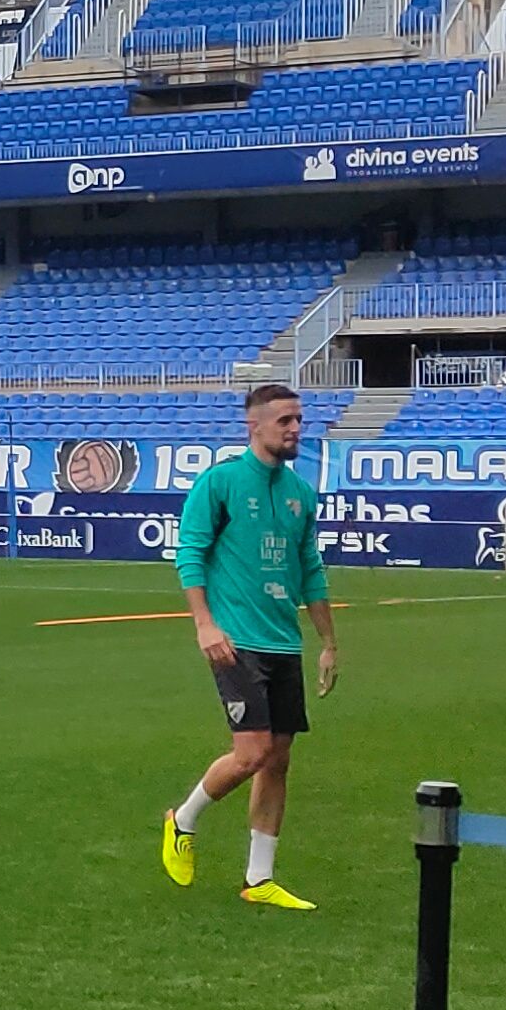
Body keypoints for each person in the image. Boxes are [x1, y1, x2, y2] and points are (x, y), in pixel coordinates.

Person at [164, 379, 334, 911]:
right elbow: (188, 554)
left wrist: (328, 641)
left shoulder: (300, 494)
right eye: (284, 421)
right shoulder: (220, 483)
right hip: (235, 641)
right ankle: (181, 819)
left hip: (284, 642)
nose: (295, 429)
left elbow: (311, 569)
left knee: (278, 760)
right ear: (254, 425)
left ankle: (259, 879)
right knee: (253, 752)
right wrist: (204, 625)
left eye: (298, 419)